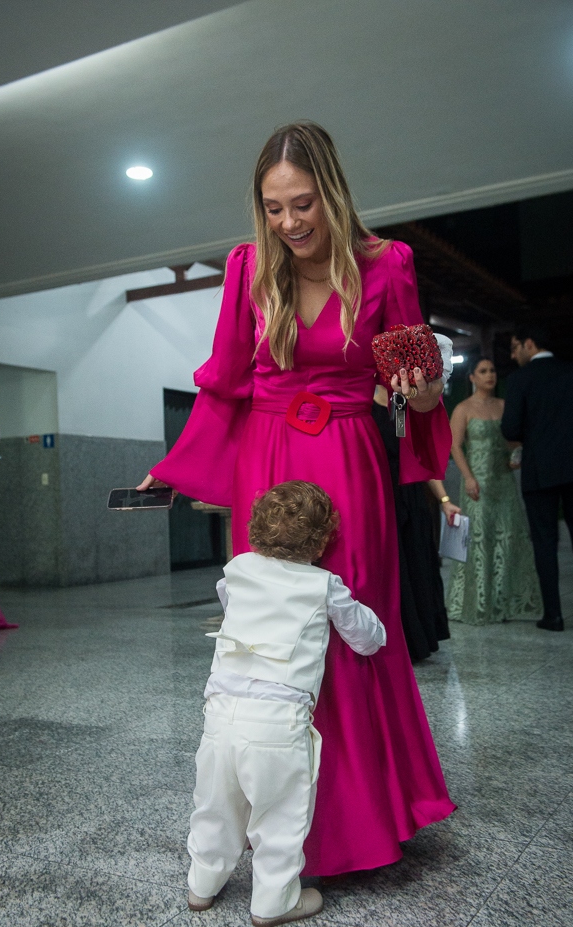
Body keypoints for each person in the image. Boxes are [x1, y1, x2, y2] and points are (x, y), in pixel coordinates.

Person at [139, 121, 456, 877]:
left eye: (304, 204)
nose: (290, 223)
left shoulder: (388, 264)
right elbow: (224, 381)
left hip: (350, 457)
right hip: (268, 458)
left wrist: (423, 385)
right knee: (276, 637)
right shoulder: (249, 265)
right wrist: (174, 465)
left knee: (350, 627)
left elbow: (417, 389)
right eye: (274, 208)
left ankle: (362, 821)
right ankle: (284, 829)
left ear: (334, 194)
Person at [188, 481, 386, 927]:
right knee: (279, 815)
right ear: (321, 541)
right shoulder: (324, 585)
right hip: (278, 723)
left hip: (220, 715)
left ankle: (202, 884)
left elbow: (229, 599)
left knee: (216, 805)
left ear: (256, 528)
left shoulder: (237, 568)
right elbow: (367, 639)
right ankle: (274, 901)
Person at [501, 327, 573, 631]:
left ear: (530, 343)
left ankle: (554, 615)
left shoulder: (520, 379)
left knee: (545, 541)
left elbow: (510, 429)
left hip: (540, 469)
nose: (513, 354)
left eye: (515, 347)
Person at [446, 358, 543, 625]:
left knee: (507, 540)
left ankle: (501, 605)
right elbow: (454, 446)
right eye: (483, 371)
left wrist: (516, 456)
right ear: (472, 378)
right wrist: (467, 478)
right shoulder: (463, 408)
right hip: (476, 483)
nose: (490, 375)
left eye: (492, 370)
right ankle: (476, 604)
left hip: (503, 482)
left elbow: (515, 441)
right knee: (478, 540)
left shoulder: (504, 406)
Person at [372, 385, 459, 661]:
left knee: (417, 562)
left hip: (409, 493)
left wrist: (444, 499)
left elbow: (416, 456)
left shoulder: (398, 403)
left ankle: (416, 640)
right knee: (391, 568)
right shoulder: (360, 400)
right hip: (378, 493)